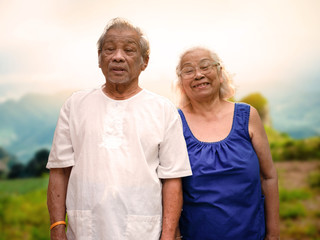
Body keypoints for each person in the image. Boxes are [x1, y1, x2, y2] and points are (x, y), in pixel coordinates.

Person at [46, 18, 192, 240]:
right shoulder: (75, 105)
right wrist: (57, 227)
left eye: (129, 50)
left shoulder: (163, 110)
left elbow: (172, 179)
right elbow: (59, 170)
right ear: (99, 58)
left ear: (145, 61)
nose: (117, 56)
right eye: (109, 49)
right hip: (85, 230)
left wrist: (168, 235)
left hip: (143, 231)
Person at [174, 46, 280, 240]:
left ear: (220, 73)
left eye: (205, 67)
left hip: (251, 234)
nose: (198, 75)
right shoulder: (174, 122)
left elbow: (269, 177)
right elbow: (171, 187)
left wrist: (273, 235)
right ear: (181, 82)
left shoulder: (248, 115)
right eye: (188, 70)